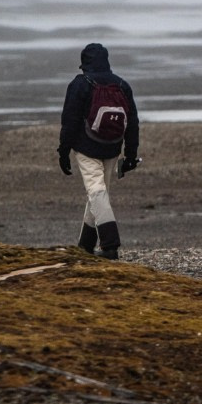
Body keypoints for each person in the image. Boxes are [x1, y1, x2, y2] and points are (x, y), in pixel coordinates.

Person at [57, 43, 140, 260]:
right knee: (98, 194)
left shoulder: (80, 84)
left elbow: (69, 121)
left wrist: (63, 151)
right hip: (113, 147)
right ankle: (85, 246)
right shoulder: (122, 85)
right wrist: (130, 155)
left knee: (96, 192)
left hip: (86, 148)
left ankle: (110, 246)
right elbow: (132, 123)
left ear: (85, 63)